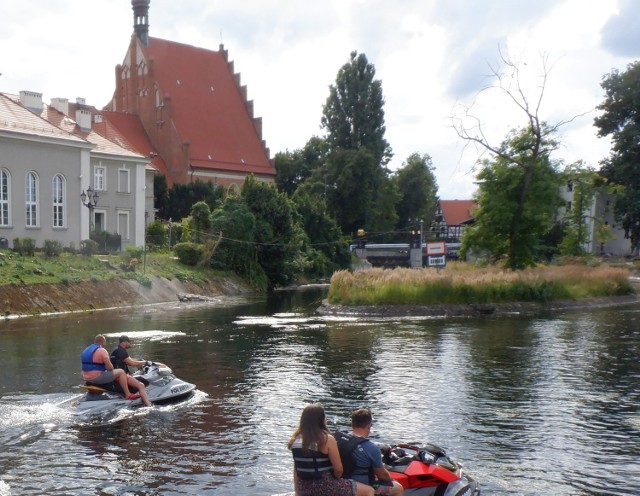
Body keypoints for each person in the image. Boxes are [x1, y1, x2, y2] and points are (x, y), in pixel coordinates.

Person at [288, 403, 374, 496]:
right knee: (369, 491)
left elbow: (296, 471)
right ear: (320, 419)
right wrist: (337, 480)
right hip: (326, 487)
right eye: (325, 416)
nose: (327, 419)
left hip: (304, 488)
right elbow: (338, 469)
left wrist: (297, 492)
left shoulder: (295, 440)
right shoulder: (327, 439)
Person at [343, 407, 404, 496]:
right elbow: (382, 476)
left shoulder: (340, 439)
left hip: (343, 483)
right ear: (369, 425)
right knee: (398, 488)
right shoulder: (371, 447)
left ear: (352, 424)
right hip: (364, 486)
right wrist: (392, 480)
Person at [81, 334, 152, 407]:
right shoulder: (102, 350)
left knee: (119, 373)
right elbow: (110, 368)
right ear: (103, 342)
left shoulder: (86, 350)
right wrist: (146, 362)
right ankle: (128, 394)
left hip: (86, 377)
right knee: (121, 372)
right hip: (97, 377)